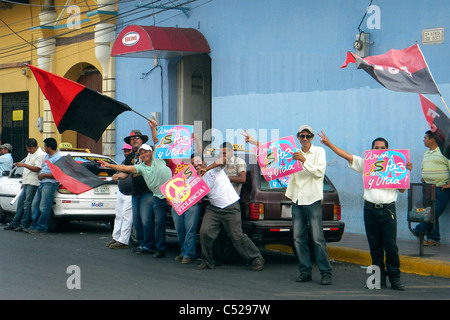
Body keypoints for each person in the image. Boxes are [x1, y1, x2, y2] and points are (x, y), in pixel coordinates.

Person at [318, 131, 411, 290]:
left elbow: (402, 190)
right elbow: (347, 156)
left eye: (382, 148)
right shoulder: (367, 164)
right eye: (376, 148)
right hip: (370, 210)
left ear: (387, 151)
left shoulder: (395, 166)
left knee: (391, 247)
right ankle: (378, 280)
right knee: (375, 247)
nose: (379, 150)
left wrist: (406, 171)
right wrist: (329, 144)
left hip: (388, 211)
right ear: (372, 150)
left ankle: (395, 279)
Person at [243, 125, 332, 285]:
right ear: (298, 137)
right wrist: (253, 141)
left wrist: (304, 161)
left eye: (308, 136)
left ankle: (326, 272)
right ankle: (305, 271)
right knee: (298, 238)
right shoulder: (293, 153)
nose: (304, 139)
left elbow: (319, 172)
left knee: (318, 239)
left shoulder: (319, 152)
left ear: (312, 138)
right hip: (297, 200)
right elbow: (272, 151)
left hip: (312, 200)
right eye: (302, 136)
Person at [99, 141, 172, 258]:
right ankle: (158, 249)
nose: (144, 155)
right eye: (141, 154)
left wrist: (153, 127)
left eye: (146, 152)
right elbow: (125, 168)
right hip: (158, 196)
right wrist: (109, 166)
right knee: (156, 222)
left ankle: (185, 252)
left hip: (171, 194)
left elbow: (157, 141)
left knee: (170, 223)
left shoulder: (158, 160)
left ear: (152, 152)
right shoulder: (141, 167)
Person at [192, 154, 265, 271]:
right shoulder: (197, 180)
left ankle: (256, 258)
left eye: (198, 162)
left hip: (230, 206)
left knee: (236, 235)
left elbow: (224, 159)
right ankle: (207, 260)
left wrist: (207, 168)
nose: (197, 165)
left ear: (204, 161)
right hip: (214, 208)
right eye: (194, 164)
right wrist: (174, 202)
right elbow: (193, 199)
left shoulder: (215, 168)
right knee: (204, 232)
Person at [122, 128, 156, 255]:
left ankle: (149, 245)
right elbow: (124, 174)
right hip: (135, 193)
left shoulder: (149, 153)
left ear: (142, 140)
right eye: (132, 138)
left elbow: (157, 144)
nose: (134, 140)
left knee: (146, 219)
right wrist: (114, 174)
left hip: (148, 191)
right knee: (137, 220)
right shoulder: (130, 156)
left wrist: (153, 129)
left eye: (137, 138)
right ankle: (142, 244)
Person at [414, 130, 450, 246]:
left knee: (433, 213)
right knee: (432, 213)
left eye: (425, 138)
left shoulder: (444, 152)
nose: (424, 140)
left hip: (441, 188)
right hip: (428, 188)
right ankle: (433, 239)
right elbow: (424, 167)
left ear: (432, 139)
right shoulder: (426, 153)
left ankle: (419, 229)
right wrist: (424, 176)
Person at [4, 139, 46, 232]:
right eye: (28, 149)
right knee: (21, 203)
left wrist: (23, 165)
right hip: (27, 181)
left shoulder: (40, 154)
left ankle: (24, 224)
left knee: (27, 204)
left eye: (30, 148)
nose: (29, 150)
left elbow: (37, 168)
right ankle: (15, 222)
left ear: (35, 147)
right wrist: (24, 181)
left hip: (33, 182)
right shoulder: (30, 153)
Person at [28, 138, 61, 234]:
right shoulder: (47, 156)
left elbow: (58, 174)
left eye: (45, 146)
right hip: (42, 183)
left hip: (50, 184)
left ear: (49, 147)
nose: (44, 148)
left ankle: (41, 227)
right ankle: (34, 225)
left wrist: (45, 175)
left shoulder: (57, 158)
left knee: (44, 206)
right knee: (35, 205)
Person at [107, 142, 133, 249]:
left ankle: (123, 240)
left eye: (128, 151)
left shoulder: (134, 162)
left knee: (127, 217)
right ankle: (116, 237)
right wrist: (116, 176)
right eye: (125, 151)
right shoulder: (123, 162)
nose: (126, 153)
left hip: (130, 194)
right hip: (121, 192)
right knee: (118, 216)